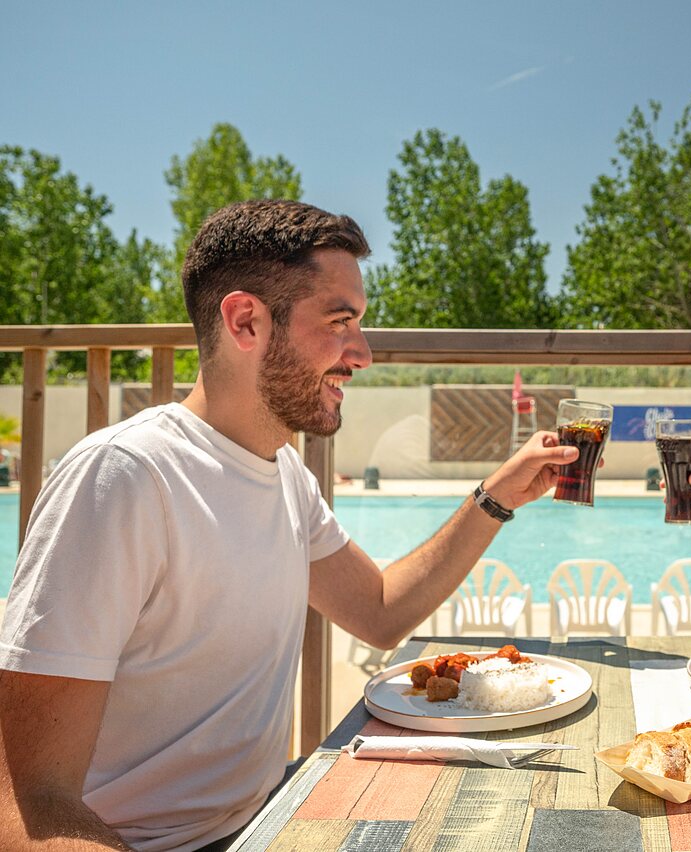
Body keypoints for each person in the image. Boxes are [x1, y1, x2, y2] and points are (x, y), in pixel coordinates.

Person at [0, 200, 579, 852]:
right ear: (246, 321)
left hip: (271, 821)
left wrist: (496, 498)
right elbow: (26, 806)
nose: (362, 353)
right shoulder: (124, 479)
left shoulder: (284, 477)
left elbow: (381, 611)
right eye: (340, 323)